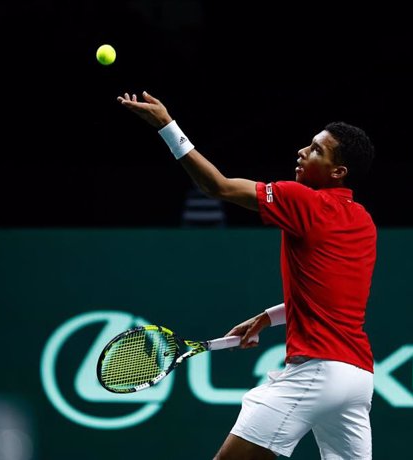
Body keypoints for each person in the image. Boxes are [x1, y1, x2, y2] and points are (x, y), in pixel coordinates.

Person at [118, 91, 377, 460]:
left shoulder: (302, 199)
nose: (302, 152)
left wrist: (166, 126)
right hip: (357, 379)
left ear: (338, 172)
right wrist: (267, 318)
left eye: (317, 150)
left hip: (316, 372)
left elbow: (217, 187)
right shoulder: (363, 221)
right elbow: (331, 301)